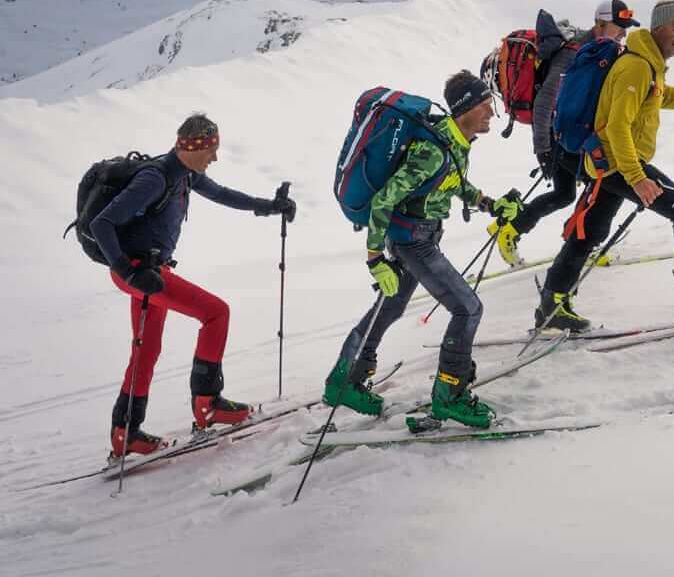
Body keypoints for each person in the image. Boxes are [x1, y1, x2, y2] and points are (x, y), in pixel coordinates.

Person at [323, 71, 523, 428]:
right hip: (413, 240)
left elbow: (451, 182)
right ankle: (450, 395)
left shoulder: (452, 141)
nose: (491, 112)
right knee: (468, 309)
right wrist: (375, 260)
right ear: (465, 108)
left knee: (392, 305)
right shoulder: (433, 150)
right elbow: (384, 201)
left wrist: (489, 204)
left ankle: (345, 380)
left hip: (417, 237)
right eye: (484, 104)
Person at [90, 114, 297, 457]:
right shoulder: (155, 178)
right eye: (211, 150)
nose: (214, 157)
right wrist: (128, 272)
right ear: (193, 147)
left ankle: (125, 432)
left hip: (149, 272)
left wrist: (270, 207)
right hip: (140, 272)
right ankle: (208, 403)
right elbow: (102, 224)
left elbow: (223, 194)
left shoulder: (184, 173)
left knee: (147, 348)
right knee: (216, 313)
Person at [536, 0, 674, 333]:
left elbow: (662, 96)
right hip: (618, 163)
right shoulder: (636, 66)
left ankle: (552, 305)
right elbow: (617, 127)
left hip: (609, 163)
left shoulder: (648, 65)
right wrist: (636, 178)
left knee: (590, 231)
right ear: (657, 28)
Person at [490, 0, 641, 267]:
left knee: (566, 193)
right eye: (619, 26)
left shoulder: (601, 51)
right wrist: (543, 149)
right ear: (600, 24)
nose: (623, 33)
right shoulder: (574, 53)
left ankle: (512, 230)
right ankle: (580, 242)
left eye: (626, 27)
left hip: (568, 134)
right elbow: (544, 102)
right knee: (600, 183)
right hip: (557, 136)